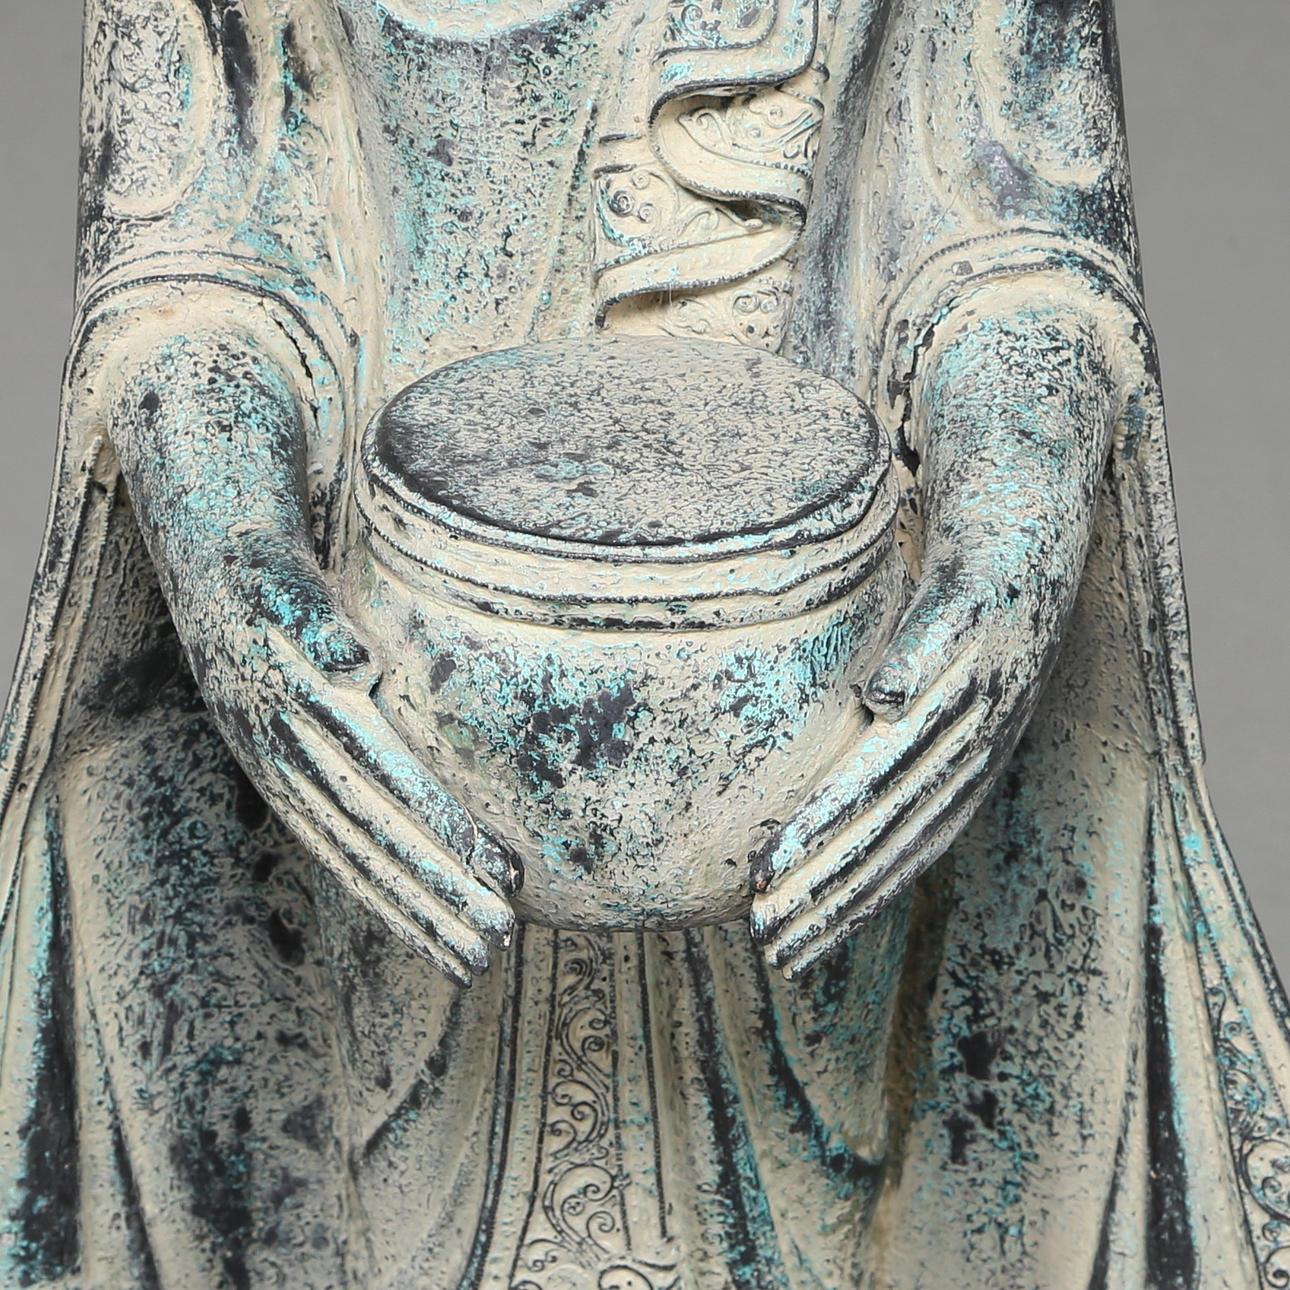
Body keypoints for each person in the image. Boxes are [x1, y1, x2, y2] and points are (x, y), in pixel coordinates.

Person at [2, 1, 1287, 1286]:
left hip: (812, 700)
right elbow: (199, 254)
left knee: (837, 1212)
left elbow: (1006, 230)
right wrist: (230, 548)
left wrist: (1011, 517)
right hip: (395, 699)